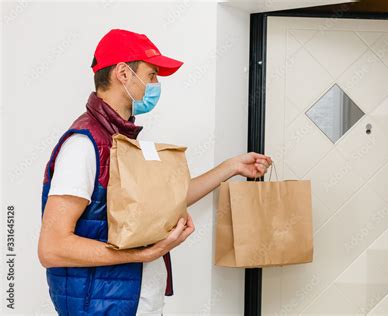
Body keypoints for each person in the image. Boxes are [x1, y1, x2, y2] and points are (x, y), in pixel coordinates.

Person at [37, 29, 272, 315]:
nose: (156, 84)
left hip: (136, 305)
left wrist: (231, 167)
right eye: (151, 75)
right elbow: (52, 247)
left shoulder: (119, 140)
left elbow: (167, 201)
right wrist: (146, 253)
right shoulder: (84, 146)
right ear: (123, 73)